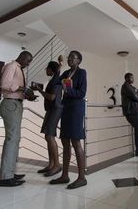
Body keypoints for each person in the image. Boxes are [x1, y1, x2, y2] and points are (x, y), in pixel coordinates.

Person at [49, 51, 88, 189]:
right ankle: (65, 175)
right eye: (69, 57)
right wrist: (59, 67)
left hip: (76, 108)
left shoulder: (82, 72)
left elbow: (82, 93)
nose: (70, 59)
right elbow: (55, 83)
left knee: (76, 142)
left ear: (79, 60)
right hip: (66, 108)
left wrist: (68, 90)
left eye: (73, 57)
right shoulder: (66, 73)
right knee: (65, 141)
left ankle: (82, 177)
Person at [0, 51, 35, 187]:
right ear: (22, 57)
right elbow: (4, 84)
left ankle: (10, 172)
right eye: (28, 61)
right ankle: (5, 177)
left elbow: (15, 88)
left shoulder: (18, 68)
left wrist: (26, 94)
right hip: (10, 104)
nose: (28, 64)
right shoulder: (12, 66)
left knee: (15, 139)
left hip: (16, 103)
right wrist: (22, 88)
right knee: (12, 139)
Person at [35, 61, 63, 176]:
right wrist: (60, 62)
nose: (46, 71)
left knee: (49, 136)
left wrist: (40, 90)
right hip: (52, 109)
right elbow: (59, 68)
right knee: (48, 136)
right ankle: (51, 164)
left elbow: (51, 97)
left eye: (47, 68)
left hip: (55, 109)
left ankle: (57, 165)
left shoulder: (56, 79)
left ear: (51, 69)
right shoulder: (55, 77)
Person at [121, 72, 138, 157]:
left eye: (133, 77)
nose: (132, 79)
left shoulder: (131, 87)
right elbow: (134, 96)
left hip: (136, 111)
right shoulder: (126, 86)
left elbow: (137, 95)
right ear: (126, 78)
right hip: (132, 111)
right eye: (131, 77)